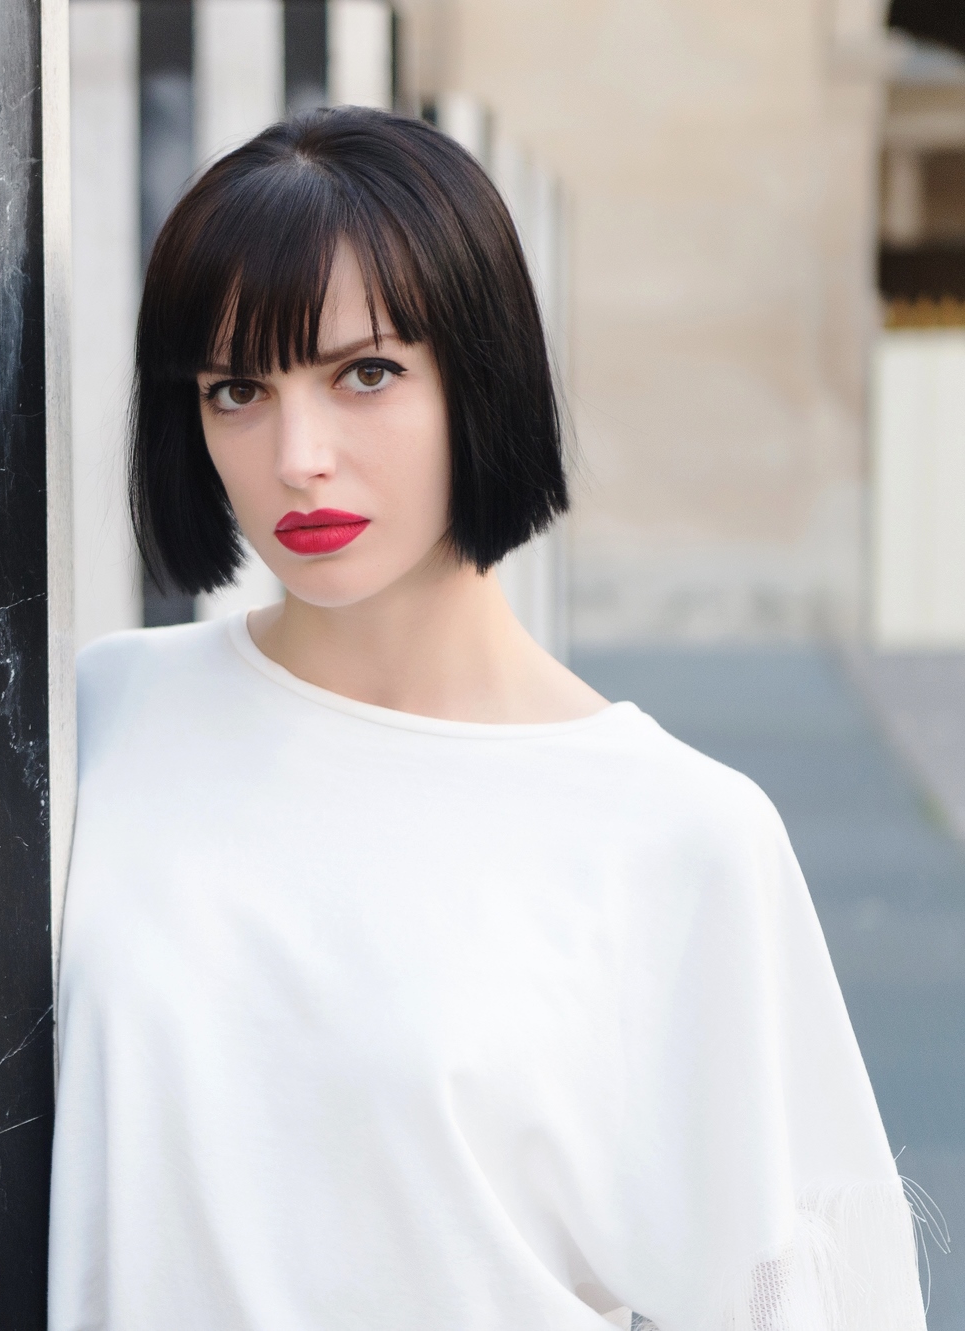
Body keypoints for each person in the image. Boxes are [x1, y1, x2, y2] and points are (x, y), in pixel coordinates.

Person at [47, 107, 926, 1330]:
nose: (297, 455)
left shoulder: (679, 832)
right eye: (236, 388)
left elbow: (787, 1300)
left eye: (365, 373)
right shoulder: (112, 711)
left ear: (483, 374)